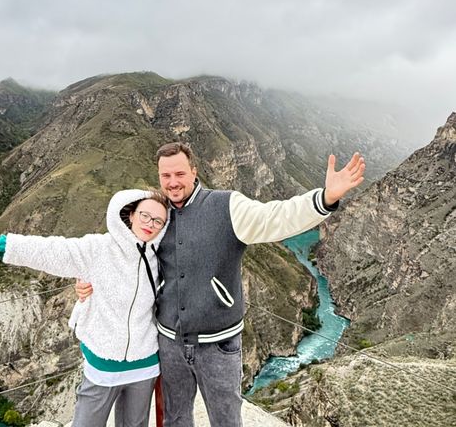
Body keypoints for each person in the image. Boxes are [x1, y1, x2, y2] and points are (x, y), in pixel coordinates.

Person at [77, 142, 366, 426]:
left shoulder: (227, 205)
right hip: (169, 343)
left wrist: (325, 198)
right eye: (166, 175)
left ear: (194, 171)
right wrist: (90, 280)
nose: (173, 182)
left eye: (180, 174)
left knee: (226, 419)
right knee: (176, 418)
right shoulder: (157, 215)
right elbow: (124, 254)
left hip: (219, 344)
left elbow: (275, 217)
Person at [0, 189, 169, 427]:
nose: (150, 224)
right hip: (103, 366)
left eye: (158, 221)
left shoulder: (162, 257)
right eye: (145, 215)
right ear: (131, 215)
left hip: (144, 365)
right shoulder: (99, 249)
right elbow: (51, 251)